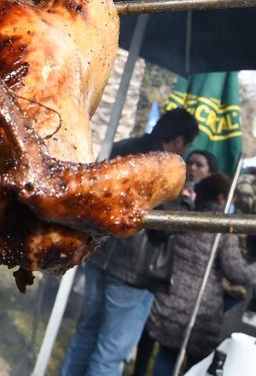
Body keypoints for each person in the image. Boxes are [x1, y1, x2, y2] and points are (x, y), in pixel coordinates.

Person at [59, 107, 199, 376]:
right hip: (134, 271)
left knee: (86, 333)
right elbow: (164, 226)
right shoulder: (164, 166)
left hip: (99, 256)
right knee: (111, 353)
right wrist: (187, 205)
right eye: (187, 145)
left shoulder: (122, 147)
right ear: (179, 140)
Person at [147, 173, 256, 375]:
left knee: (166, 356)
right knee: (196, 367)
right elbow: (235, 271)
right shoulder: (223, 227)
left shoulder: (184, 218)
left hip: (170, 300)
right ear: (222, 198)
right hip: (201, 312)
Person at [131, 149, 219, 376]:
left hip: (183, 288)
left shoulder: (209, 207)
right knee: (148, 339)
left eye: (199, 165)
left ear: (210, 172)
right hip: (159, 275)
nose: (193, 168)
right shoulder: (173, 192)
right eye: (190, 163)